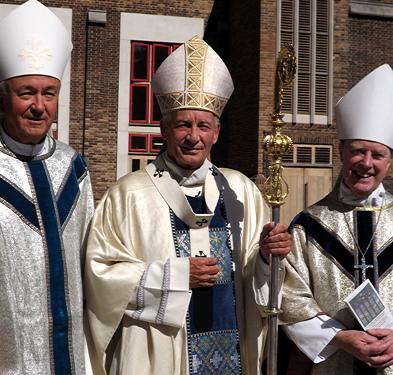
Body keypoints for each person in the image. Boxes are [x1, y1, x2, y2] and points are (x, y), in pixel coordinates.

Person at [84, 35, 291, 375]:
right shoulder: (127, 195)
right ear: (164, 129)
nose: (193, 136)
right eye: (183, 124)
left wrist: (268, 256)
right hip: (157, 356)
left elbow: (259, 273)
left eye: (203, 126)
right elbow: (100, 275)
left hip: (233, 351)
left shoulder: (241, 190)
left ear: (217, 133)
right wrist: (175, 276)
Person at [0, 1, 94, 374]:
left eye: (49, 93)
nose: (39, 106)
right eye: (26, 92)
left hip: (70, 356)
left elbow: (98, 258)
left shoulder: (72, 167)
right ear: (1, 96)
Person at [279, 64, 393, 374]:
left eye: (377, 155)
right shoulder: (307, 226)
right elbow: (290, 296)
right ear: (341, 151)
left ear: (390, 160)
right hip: (334, 363)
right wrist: (340, 337)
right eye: (357, 151)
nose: (366, 163)